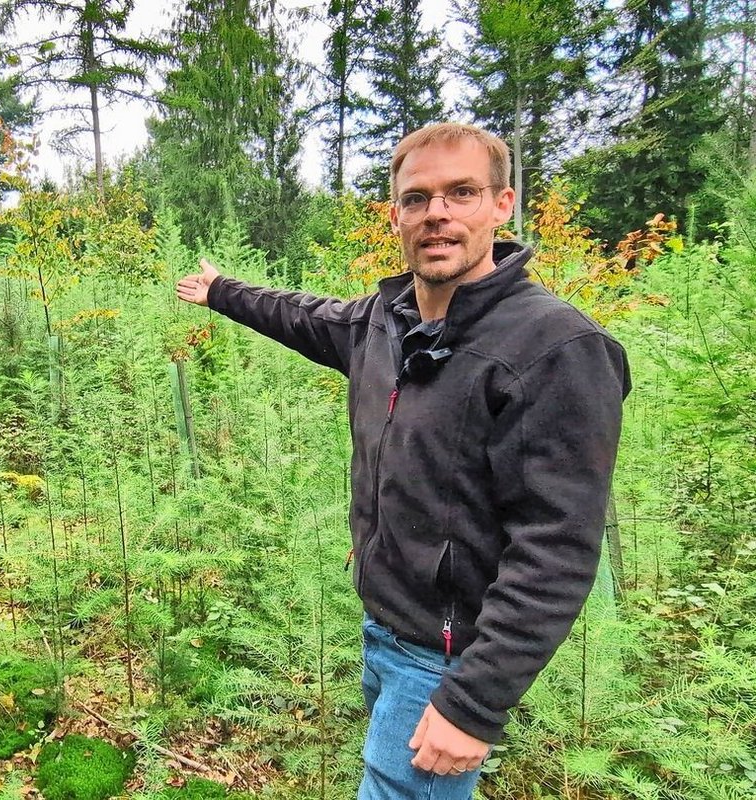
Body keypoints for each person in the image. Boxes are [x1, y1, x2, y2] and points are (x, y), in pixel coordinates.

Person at [174, 123, 630, 800]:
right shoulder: (383, 321)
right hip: (384, 625)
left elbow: (557, 549)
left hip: (448, 658)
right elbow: (304, 314)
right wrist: (223, 292)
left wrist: (472, 703)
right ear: (396, 216)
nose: (437, 214)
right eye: (417, 199)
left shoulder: (554, 347)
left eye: (462, 193)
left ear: (502, 205)